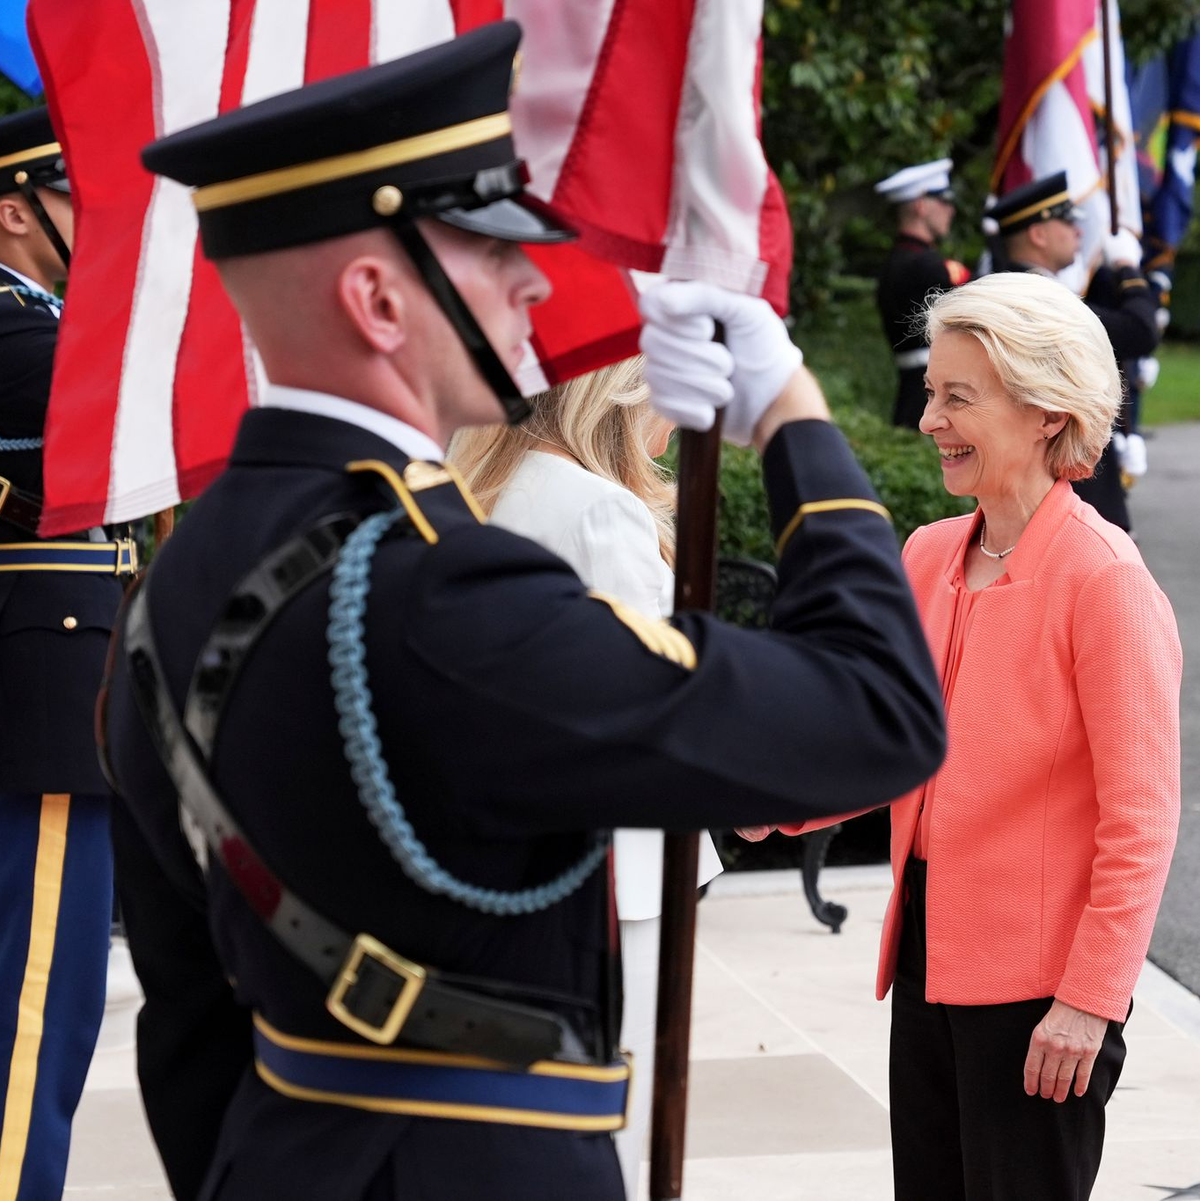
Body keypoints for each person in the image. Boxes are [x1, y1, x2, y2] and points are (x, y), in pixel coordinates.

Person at [99, 22, 945, 1200]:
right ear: (377, 300)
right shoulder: (438, 593)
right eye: (491, 250)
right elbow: (879, 713)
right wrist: (794, 418)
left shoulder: (173, 587)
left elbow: (186, 1016)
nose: (536, 280)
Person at [746, 270, 1180, 1201]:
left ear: (1047, 412)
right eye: (933, 392)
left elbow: (1141, 822)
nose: (928, 418)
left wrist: (1091, 1000)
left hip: (1041, 996)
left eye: (957, 397)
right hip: (928, 957)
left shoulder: (1106, 581)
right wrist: (761, 805)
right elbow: (890, 749)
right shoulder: (929, 553)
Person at [451, 357, 723, 1197]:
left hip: (504, 860)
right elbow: (663, 705)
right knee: (613, 1125)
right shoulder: (596, 509)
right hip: (611, 868)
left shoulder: (485, 484)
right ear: (621, 392)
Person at [0, 107, 135, 1197]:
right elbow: (148, 424)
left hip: (56, 711)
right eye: (74, 196)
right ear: (13, 208)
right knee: (32, 1020)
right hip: (37, 722)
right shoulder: (19, 330)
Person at [990, 171, 1159, 531]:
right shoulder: (1040, 300)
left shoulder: (1010, 290)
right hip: (1069, 481)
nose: (1079, 232)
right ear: (1038, 234)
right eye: (1068, 223)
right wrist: (1128, 268)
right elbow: (1141, 331)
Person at [875, 158, 968, 430]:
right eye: (943, 201)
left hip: (914, 395)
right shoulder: (924, 266)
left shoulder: (899, 260)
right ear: (920, 205)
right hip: (933, 398)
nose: (950, 210)